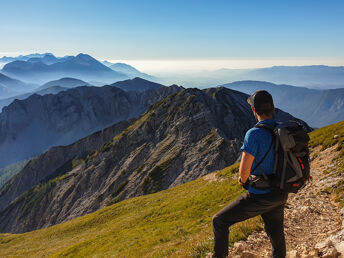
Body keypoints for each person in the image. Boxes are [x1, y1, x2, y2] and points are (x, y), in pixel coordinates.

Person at [211, 90, 289, 258]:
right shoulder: (283, 130)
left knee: (219, 221)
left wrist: (242, 180)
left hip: (260, 195)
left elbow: (244, 170)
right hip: (281, 192)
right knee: (276, 235)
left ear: (254, 111)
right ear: (273, 108)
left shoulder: (253, 134)